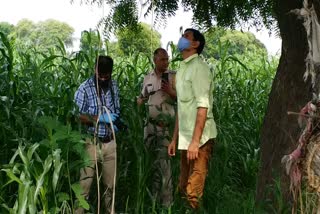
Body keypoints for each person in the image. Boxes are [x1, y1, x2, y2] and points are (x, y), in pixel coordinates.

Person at [168, 28, 217, 209]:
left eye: (186, 36)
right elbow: (182, 108)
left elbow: (202, 107)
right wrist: (174, 139)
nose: (181, 39)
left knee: (193, 192)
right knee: (182, 187)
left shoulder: (200, 69)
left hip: (200, 140)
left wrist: (195, 142)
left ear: (195, 44)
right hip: (185, 138)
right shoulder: (182, 69)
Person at [74, 55, 120, 214]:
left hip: (110, 143)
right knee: (84, 185)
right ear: (95, 70)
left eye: (106, 76)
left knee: (110, 186)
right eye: (100, 75)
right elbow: (77, 115)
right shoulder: (84, 88)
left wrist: (116, 121)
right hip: (91, 143)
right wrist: (100, 119)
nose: (103, 78)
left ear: (111, 73)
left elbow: (117, 110)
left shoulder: (113, 86)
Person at [137, 48, 176, 207]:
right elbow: (142, 98)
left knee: (165, 166)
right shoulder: (148, 78)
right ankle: (153, 202)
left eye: (167, 59)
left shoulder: (174, 77)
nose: (166, 63)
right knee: (152, 164)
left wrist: (170, 92)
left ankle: (167, 204)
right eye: (162, 60)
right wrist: (140, 101)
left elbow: (183, 100)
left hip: (165, 128)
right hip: (150, 127)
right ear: (155, 60)